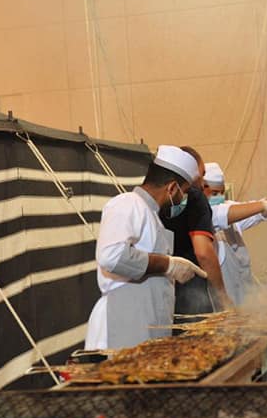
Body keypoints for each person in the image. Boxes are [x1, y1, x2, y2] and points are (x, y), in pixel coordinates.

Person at [84, 145, 206, 350]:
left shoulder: (152, 215)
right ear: (172, 188)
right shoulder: (127, 203)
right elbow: (111, 256)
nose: (182, 199)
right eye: (183, 192)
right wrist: (167, 264)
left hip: (144, 323)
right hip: (123, 322)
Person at [200, 162, 267, 305]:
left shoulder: (229, 209)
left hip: (246, 304)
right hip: (224, 307)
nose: (219, 197)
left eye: (222, 192)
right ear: (201, 190)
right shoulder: (203, 215)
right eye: (214, 193)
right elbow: (221, 214)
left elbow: (251, 210)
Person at [161, 146, 230, 315]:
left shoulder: (155, 200)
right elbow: (203, 252)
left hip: (161, 295)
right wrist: (223, 298)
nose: (203, 181)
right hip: (191, 296)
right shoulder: (195, 197)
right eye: (202, 173)